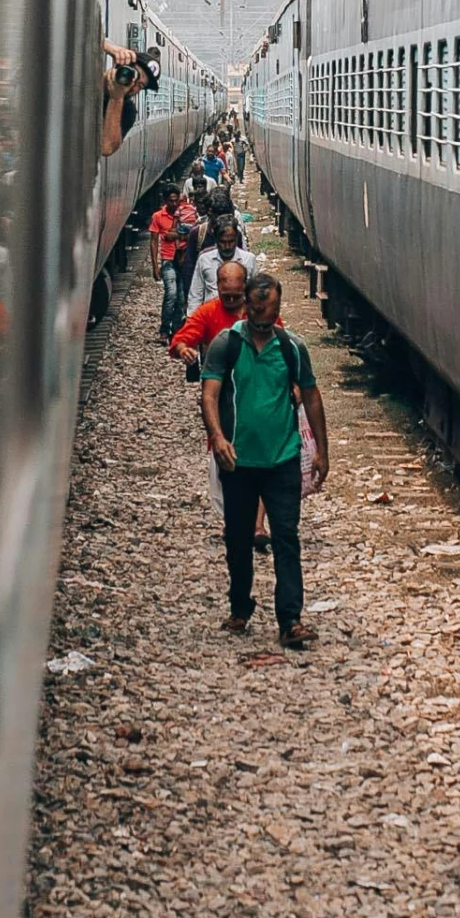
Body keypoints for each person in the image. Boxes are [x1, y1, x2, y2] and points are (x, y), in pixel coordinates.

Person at [201, 272, 330, 649]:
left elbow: (312, 397)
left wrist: (322, 450)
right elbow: (210, 395)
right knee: (238, 538)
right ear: (246, 304)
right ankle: (240, 605)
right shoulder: (227, 345)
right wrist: (218, 438)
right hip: (238, 462)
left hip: (282, 460)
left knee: (287, 538)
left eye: (270, 310)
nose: (263, 316)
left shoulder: (292, 348)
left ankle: (290, 618)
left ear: (279, 308)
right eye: (257, 309)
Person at [170, 258, 250, 384]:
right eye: (226, 296)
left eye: (236, 296)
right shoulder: (208, 311)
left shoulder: (258, 310)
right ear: (217, 286)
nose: (231, 300)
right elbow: (181, 338)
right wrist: (183, 350)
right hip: (220, 381)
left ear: (245, 287)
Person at [100, 42, 160, 158]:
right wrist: (107, 47)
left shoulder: (128, 111)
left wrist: (116, 98)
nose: (134, 84)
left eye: (141, 85)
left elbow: (107, 148)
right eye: (134, 74)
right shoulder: (87, 73)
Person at [186, 213, 256, 311]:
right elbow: (195, 295)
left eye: (231, 242)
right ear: (216, 240)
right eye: (223, 242)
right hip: (211, 318)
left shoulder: (249, 260)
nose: (227, 247)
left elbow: (254, 294)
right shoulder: (204, 259)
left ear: (237, 239)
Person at [148, 184, 188, 345]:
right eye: (171, 201)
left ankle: (176, 329)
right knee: (171, 294)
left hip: (183, 261)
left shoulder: (185, 214)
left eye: (176, 201)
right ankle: (164, 329)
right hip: (168, 260)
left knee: (181, 297)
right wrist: (155, 266)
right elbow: (153, 241)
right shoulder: (158, 217)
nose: (174, 204)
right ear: (165, 201)